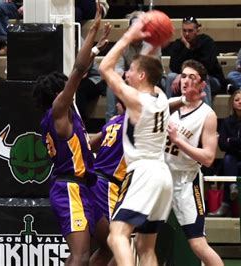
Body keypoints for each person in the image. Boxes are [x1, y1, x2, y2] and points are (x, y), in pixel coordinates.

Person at [37, 4, 111, 265]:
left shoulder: (68, 119)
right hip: (70, 188)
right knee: (78, 256)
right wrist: (92, 32)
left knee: (111, 243)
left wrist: (106, 133)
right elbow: (78, 71)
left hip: (85, 186)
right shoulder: (58, 109)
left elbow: (84, 146)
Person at [99, 14, 172, 266]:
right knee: (145, 247)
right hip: (163, 176)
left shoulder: (136, 100)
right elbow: (150, 65)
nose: (127, 73)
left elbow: (104, 68)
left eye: (131, 70)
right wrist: (150, 40)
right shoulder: (161, 96)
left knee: (116, 236)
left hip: (142, 173)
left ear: (141, 76)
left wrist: (128, 36)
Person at [165, 59, 224, 266]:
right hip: (162, 177)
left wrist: (179, 141)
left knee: (198, 244)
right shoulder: (169, 106)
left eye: (192, 77)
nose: (186, 81)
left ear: (202, 85)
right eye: (184, 76)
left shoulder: (207, 115)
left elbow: (208, 158)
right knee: (141, 237)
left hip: (186, 181)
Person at [105, 11, 162, 121]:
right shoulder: (123, 44)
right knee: (111, 84)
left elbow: (152, 69)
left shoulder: (153, 44)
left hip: (149, 79)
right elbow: (118, 67)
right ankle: (110, 123)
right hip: (129, 77)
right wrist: (125, 75)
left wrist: (133, 75)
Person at [88, 101, 126, 265]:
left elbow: (90, 145)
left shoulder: (113, 122)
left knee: (91, 249)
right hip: (107, 186)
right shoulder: (133, 123)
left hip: (93, 182)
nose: (116, 105)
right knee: (119, 246)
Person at [165, 16, 226, 106]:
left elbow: (206, 67)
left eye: (190, 31)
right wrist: (186, 47)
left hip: (211, 79)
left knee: (200, 78)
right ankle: (168, 112)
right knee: (170, 77)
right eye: (184, 30)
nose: (186, 34)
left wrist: (189, 49)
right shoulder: (178, 44)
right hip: (185, 78)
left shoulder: (207, 42)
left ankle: (205, 115)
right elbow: (173, 66)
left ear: (197, 30)